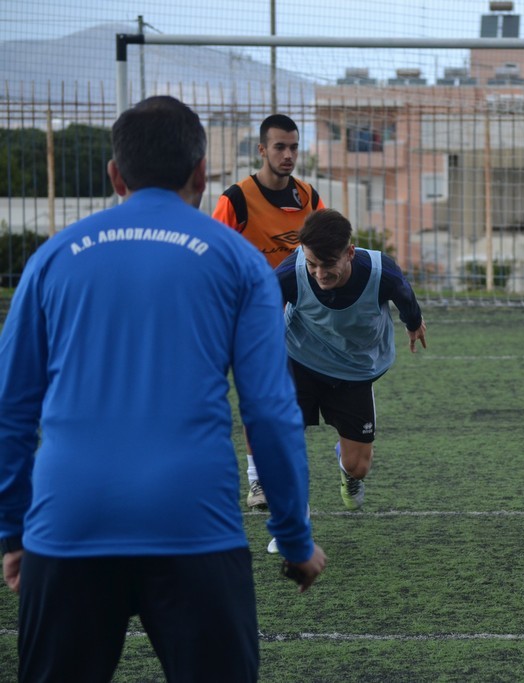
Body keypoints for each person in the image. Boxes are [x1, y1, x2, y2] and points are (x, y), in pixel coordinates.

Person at [0, 96, 327, 682]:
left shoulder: (52, 258)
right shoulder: (238, 261)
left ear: (115, 175)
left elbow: (10, 411)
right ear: (201, 174)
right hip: (193, 522)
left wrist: (13, 532)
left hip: (68, 521)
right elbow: (270, 411)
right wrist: (294, 539)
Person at [276, 208, 426, 516]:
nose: (319, 273)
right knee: (283, 441)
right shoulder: (290, 273)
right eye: (312, 263)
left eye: (328, 264)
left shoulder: (381, 272)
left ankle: (347, 471)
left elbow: (405, 297)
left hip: (353, 371)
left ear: (350, 253)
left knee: (358, 466)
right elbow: (262, 310)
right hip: (299, 360)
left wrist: (414, 323)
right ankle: (292, 521)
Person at [212, 113, 327, 511]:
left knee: (299, 400)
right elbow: (213, 256)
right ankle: (257, 479)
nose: (288, 155)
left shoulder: (307, 197)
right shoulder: (236, 199)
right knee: (258, 395)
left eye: (293, 147)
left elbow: (326, 245)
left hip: (303, 315)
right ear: (262, 150)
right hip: (253, 315)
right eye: (280, 147)